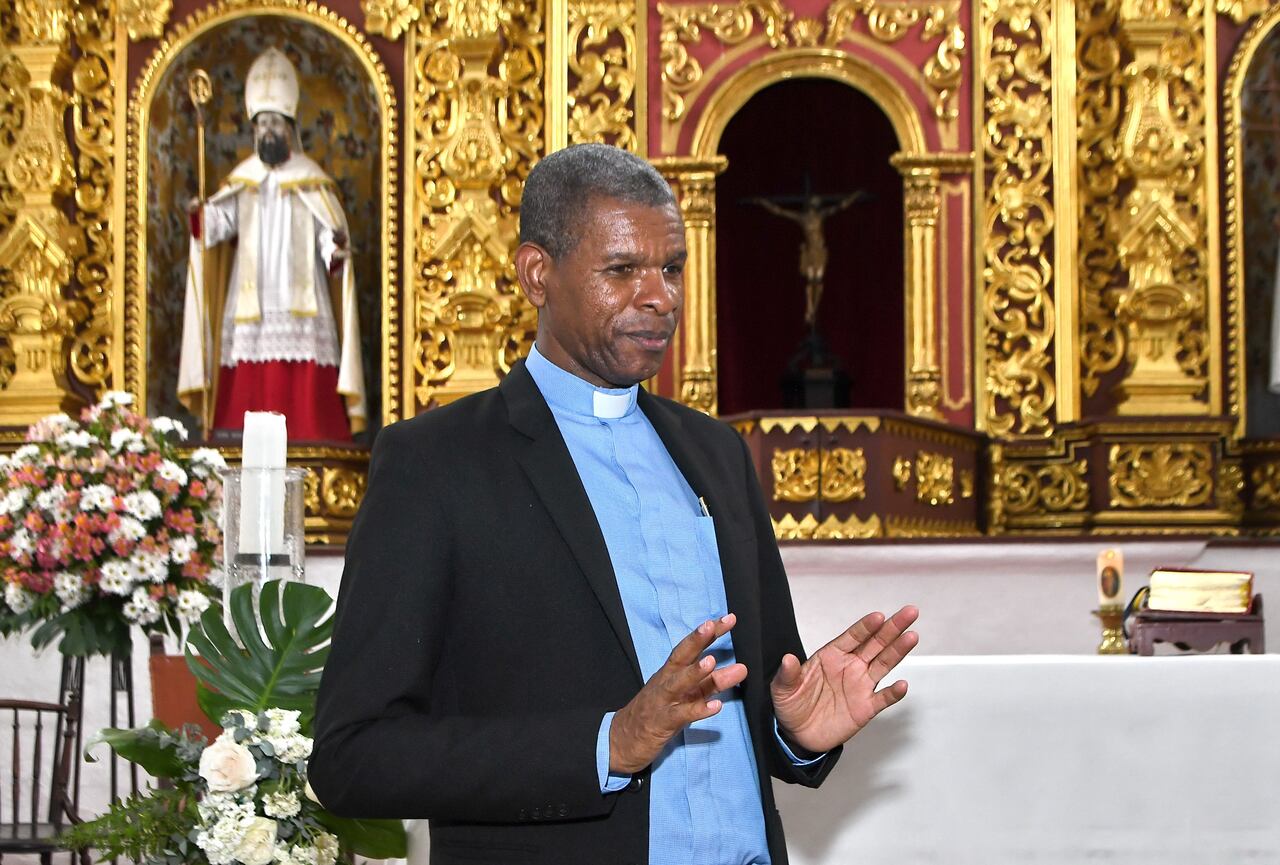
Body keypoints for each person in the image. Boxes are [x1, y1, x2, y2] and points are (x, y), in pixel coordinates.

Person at [309, 143, 919, 865]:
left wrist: (795, 733)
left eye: (672, 268)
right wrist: (606, 746)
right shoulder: (437, 463)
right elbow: (353, 757)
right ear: (537, 274)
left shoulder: (716, 454)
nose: (661, 297)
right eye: (623, 270)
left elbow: (757, 699)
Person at [178, 47, 365, 440]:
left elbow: (327, 233)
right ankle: (235, 435)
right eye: (261, 124)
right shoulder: (242, 179)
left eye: (274, 123)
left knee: (301, 370)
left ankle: (310, 432)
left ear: (289, 128)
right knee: (248, 362)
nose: (267, 131)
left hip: (301, 295)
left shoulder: (311, 180)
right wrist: (201, 216)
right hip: (251, 294)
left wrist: (334, 249)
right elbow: (217, 227)